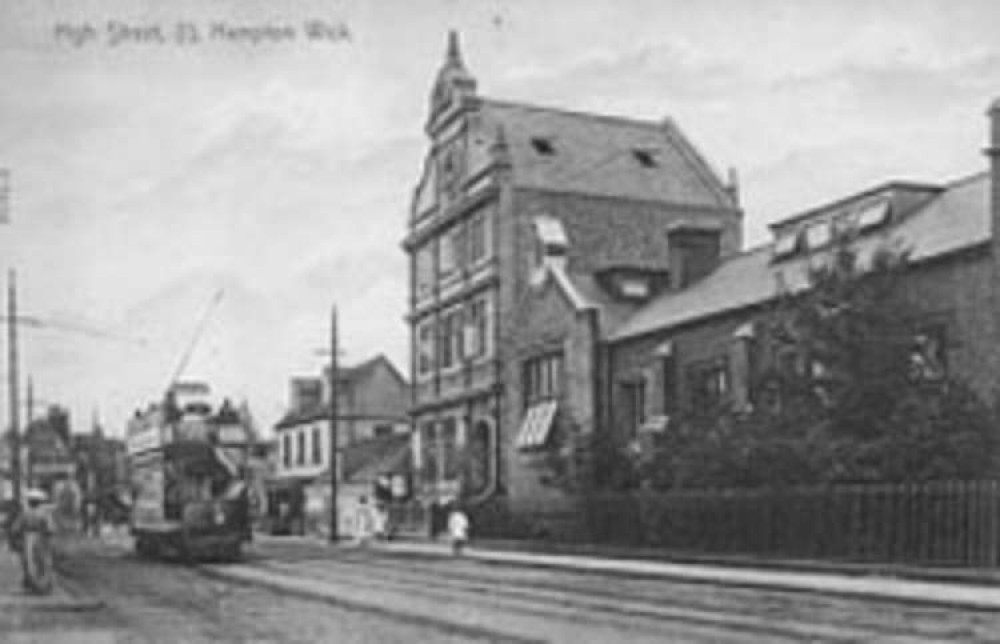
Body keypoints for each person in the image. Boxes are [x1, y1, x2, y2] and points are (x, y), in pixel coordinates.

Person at [9, 489, 55, 594]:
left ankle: (31, 584)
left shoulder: (25, 514)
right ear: (40, 503)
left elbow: (15, 529)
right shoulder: (45, 514)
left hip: (27, 538)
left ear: (29, 502)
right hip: (41, 538)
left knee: (28, 561)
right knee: (42, 562)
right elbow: (50, 529)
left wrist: (17, 540)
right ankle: (43, 585)